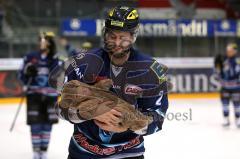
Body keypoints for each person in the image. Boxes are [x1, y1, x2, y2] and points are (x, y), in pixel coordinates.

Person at [56, 6, 169, 159]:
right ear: (105, 34)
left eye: (123, 38)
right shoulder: (82, 63)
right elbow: (60, 109)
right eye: (112, 36)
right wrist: (91, 111)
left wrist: (127, 123)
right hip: (83, 152)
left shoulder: (151, 70)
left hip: (130, 153)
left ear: (133, 36)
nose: (117, 42)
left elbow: (158, 117)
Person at [19, 32, 62, 159]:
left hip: (51, 97)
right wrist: (27, 73)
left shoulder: (56, 58)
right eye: (41, 40)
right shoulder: (30, 57)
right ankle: (36, 152)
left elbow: (59, 77)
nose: (42, 42)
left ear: (50, 43)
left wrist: (53, 57)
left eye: (45, 40)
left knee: (47, 125)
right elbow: (21, 74)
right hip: (34, 96)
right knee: (35, 124)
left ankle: (44, 151)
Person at [214, 42, 240, 128]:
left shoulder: (238, 61)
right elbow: (218, 73)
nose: (228, 52)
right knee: (225, 104)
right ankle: (226, 119)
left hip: (236, 87)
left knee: (237, 104)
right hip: (225, 87)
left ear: (235, 51)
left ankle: (238, 119)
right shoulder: (223, 60)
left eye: (231, 50)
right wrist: (217, 65)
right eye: (227, 50)